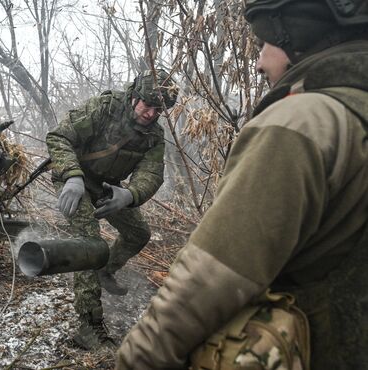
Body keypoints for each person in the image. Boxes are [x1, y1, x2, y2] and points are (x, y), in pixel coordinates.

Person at [116, 0, 368, 369]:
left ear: (299, 38)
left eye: (265, 43)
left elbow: (211, 276)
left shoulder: (301, 122)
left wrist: (138, 358)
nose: (260, 60)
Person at [46, 69, 179, 349]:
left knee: (138, 233)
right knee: (89, 244)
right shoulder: (104, 108)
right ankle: (88, 326)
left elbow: (152, 174)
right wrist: (71, 175)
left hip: (108, 187)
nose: (151, 113)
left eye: (158, 110)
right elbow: (59, 137)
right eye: (147, 104)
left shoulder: (153, 137)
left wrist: (130, 195)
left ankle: (105, 271)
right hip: (75, 179)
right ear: (133, 97)